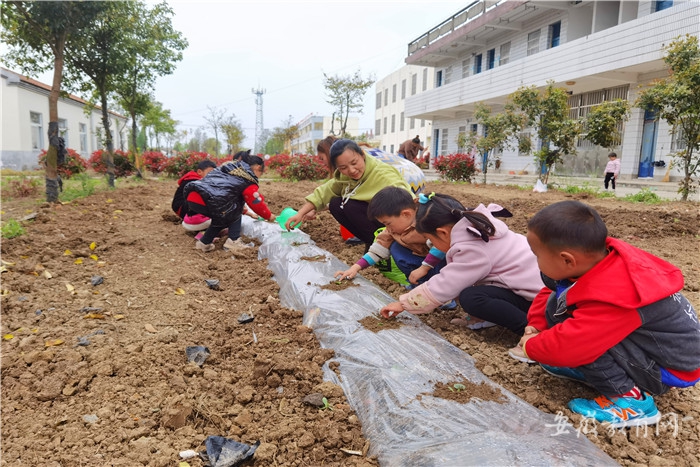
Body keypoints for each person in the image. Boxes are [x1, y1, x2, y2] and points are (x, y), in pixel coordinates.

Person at [514, 200, 700, 428]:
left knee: (584, 341)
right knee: (560, 306)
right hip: (651, 348)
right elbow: (554, 290)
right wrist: (538, 326)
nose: (536, 261)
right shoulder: (600, 260)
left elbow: (575, 343)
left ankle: (631, 401)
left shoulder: (617, 294)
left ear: (567, 260)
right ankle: (597, 372)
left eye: (536, 255)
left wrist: (530, 346)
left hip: (669, 367)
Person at [379, 193, 544, 334]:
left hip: (540, 303)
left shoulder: (472, 248)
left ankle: (531, 331)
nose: (431, 245)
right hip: (541, 292)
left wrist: (404, 304)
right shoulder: (474, 227)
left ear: (442, 233)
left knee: (472, 297)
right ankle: (487, 317)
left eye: (430, 239)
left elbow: (446, 284)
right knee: (470, 287)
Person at [284, 139, 413, 249]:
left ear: (362, 155)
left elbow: (408, 200)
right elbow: (323, 192)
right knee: (337, 204)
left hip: (395, 224)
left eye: (354, 163)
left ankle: (390, 246)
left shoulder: (382, 175)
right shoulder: (344, 178)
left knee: (349, 206)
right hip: (379, 222)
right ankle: (373, 243)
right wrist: (300, 214)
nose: (351, 170)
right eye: (343, 167)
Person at [334, 186, 448, 289]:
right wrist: (355, 268)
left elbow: (440, 246)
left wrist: (424, 268)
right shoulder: (392, 229)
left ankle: (442, 292)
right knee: (395, 248)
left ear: (406, 214)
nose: (387, 228)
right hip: (422, 258)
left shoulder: (426, 221)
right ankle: (420, 284)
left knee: (440, 264)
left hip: (443, 260)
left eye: (388, 223)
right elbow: (378, 248)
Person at [184, 152, 275, 252]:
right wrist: (268, 215)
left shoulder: (230, 170)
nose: (259, 177)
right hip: (209, 198)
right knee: (234, 210)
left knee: (221, 218)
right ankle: (233, 241)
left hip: (193, 196)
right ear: (258, 168)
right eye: (261, 173)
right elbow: (254, 200)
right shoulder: (247, 178)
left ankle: (204, 243)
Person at [171, 159, 217, 233]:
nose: (212, 176)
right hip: (181, 207)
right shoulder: (194, 182)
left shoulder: (198, 180)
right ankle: (200, 230)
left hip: (185, 207)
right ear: (199, 172)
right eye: (210, 173)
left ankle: (200, 228)